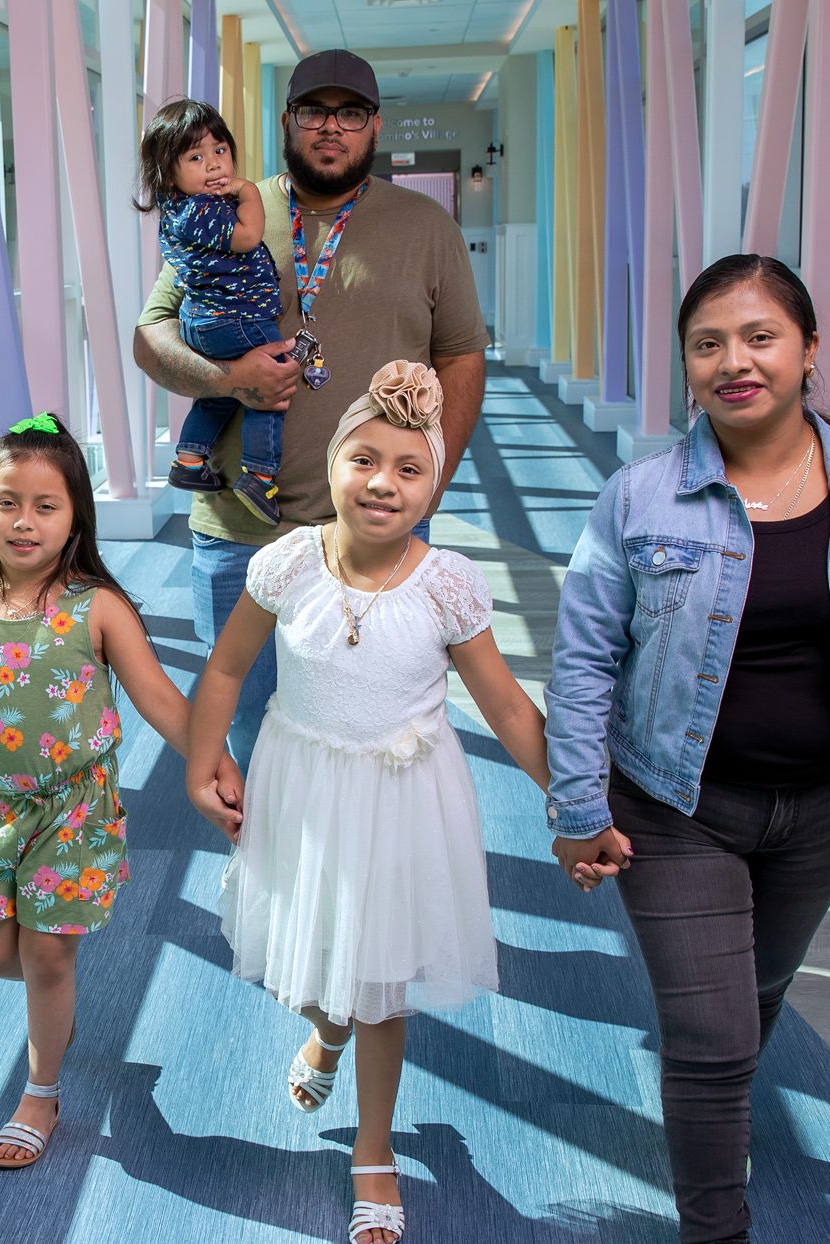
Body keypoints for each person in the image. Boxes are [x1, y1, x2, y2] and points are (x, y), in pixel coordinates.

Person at [543, 255, 830, 1243]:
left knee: (755, 992)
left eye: (759, 337)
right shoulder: (638, 498)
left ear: (809, 349)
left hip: (825, 810)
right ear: (686, 365)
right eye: (707, 344)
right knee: (708, 1032)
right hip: (672, 804)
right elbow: (581, 660)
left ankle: (720, 1101)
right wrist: (578, 805)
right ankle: (716, 1221)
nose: (733, 361)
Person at [187, 362, 548, 1244]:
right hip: (304, 793)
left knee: (380, 983)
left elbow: (507, 707)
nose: (383, 482)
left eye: (408, 468)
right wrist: (202, 766)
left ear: (433, 486)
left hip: (400, 803)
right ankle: (326, 1033)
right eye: (364, 459)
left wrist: (576, 804)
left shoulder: (447, 585)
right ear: (334, 465)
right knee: (313, 959)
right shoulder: (286, 563)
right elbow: (227, 669)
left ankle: (374, 1148)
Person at [135, 48, 490, 768]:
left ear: (375, 125)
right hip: (241, 534)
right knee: (248, 735)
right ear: (287, 121)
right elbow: (151, 336)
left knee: (377, 741)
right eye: (314, 111)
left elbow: (460, 357)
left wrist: (432, 484)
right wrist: (230, 379)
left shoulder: (427, 227)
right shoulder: (227, 207)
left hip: (377, 535)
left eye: (350, 113)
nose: (332, 127)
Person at [0, 414, 242, 1171]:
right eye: (7, 503)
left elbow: (163, 701)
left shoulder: (96, 606)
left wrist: (216, 762)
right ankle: (52, 981)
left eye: (45, 506)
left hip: (75, 810)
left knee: (46, 955)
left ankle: (41, 1091)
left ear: (75, 519)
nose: (23, 521)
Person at [133, 98, 290, 524]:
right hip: (234, 317)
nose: (215, 164)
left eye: (220, 150)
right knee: (269, 388)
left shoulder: (179, 208)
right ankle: (259, 474)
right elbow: (248, 236)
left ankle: (189, 460)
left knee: (220, 394)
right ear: (168, 174)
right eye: (196, 157)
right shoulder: (202, 209)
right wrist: (248, 190)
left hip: (205, 319)